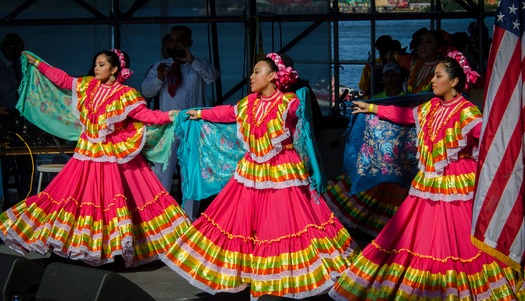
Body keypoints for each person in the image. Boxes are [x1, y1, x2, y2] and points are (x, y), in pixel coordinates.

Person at [161, 53, 359, 300]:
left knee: (281, 225)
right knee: (242, 222)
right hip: (252, 171)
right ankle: (251, 275)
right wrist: (200, 114)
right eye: (253, 72)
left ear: (273, 75)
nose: (251, 76)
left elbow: (306, 133)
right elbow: (227, 113)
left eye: (257, 71)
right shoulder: (248, 103)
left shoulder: (289, 102)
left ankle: (279, 279)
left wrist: (317, 170)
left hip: (282, 171)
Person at [329, 55, 521, 300]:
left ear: (453, 82)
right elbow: (406, 116)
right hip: (428, 182)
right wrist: (373, 107)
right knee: (421, 235)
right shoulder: (430, 107)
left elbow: (490, 139)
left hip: (456, 185)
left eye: (438, 76)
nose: (432, 81)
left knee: (457, 239)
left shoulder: (468, 112)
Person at [0, 49, 191, 267]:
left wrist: (169, 114)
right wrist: (38, 64)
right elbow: (62, 79)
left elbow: (144, 115)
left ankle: (113, 251)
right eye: (96, 64)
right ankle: (76, 248)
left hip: (110, 158)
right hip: (86, 156)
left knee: (110, 203)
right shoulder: (88, 86)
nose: (96, 68)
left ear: (115, 69)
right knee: (74, 200)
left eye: (101, 65)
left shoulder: (125, 94)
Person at [323, 61, 417, 238]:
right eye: (387, 75)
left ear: (400, 78)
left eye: (394, 74)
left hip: (398, 156)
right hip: (378, 154)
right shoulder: (376, 98)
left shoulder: (408, 101)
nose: (390, 78)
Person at [141, 25, 220, 219]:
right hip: (167, 127)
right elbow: (145, 92)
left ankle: (189, 219)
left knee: (191, 174)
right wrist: (160, 78)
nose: (176, 44)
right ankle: (162, 219)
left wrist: (191, 60)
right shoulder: (161, 66)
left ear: (189, 43)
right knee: (162, 172)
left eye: (181, 40)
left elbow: (213, 77)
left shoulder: (198, 65)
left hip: (193, 127)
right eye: (174, 40)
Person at [0, 33, 32, 207]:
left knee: (26, 163)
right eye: (11, 48)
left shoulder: (22, 66)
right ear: (3, 48)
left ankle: (23, 203)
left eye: (19, 49)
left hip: (21, 119)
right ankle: (4, 203)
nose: (15, 52)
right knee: (4, 165)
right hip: (3, 121)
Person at [394, 29, 448, 95]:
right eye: (421, 42)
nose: (422, 45)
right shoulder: (415, 64)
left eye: (428, 42)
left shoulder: (445, 68)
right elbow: (397, 57)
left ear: (439, 47)